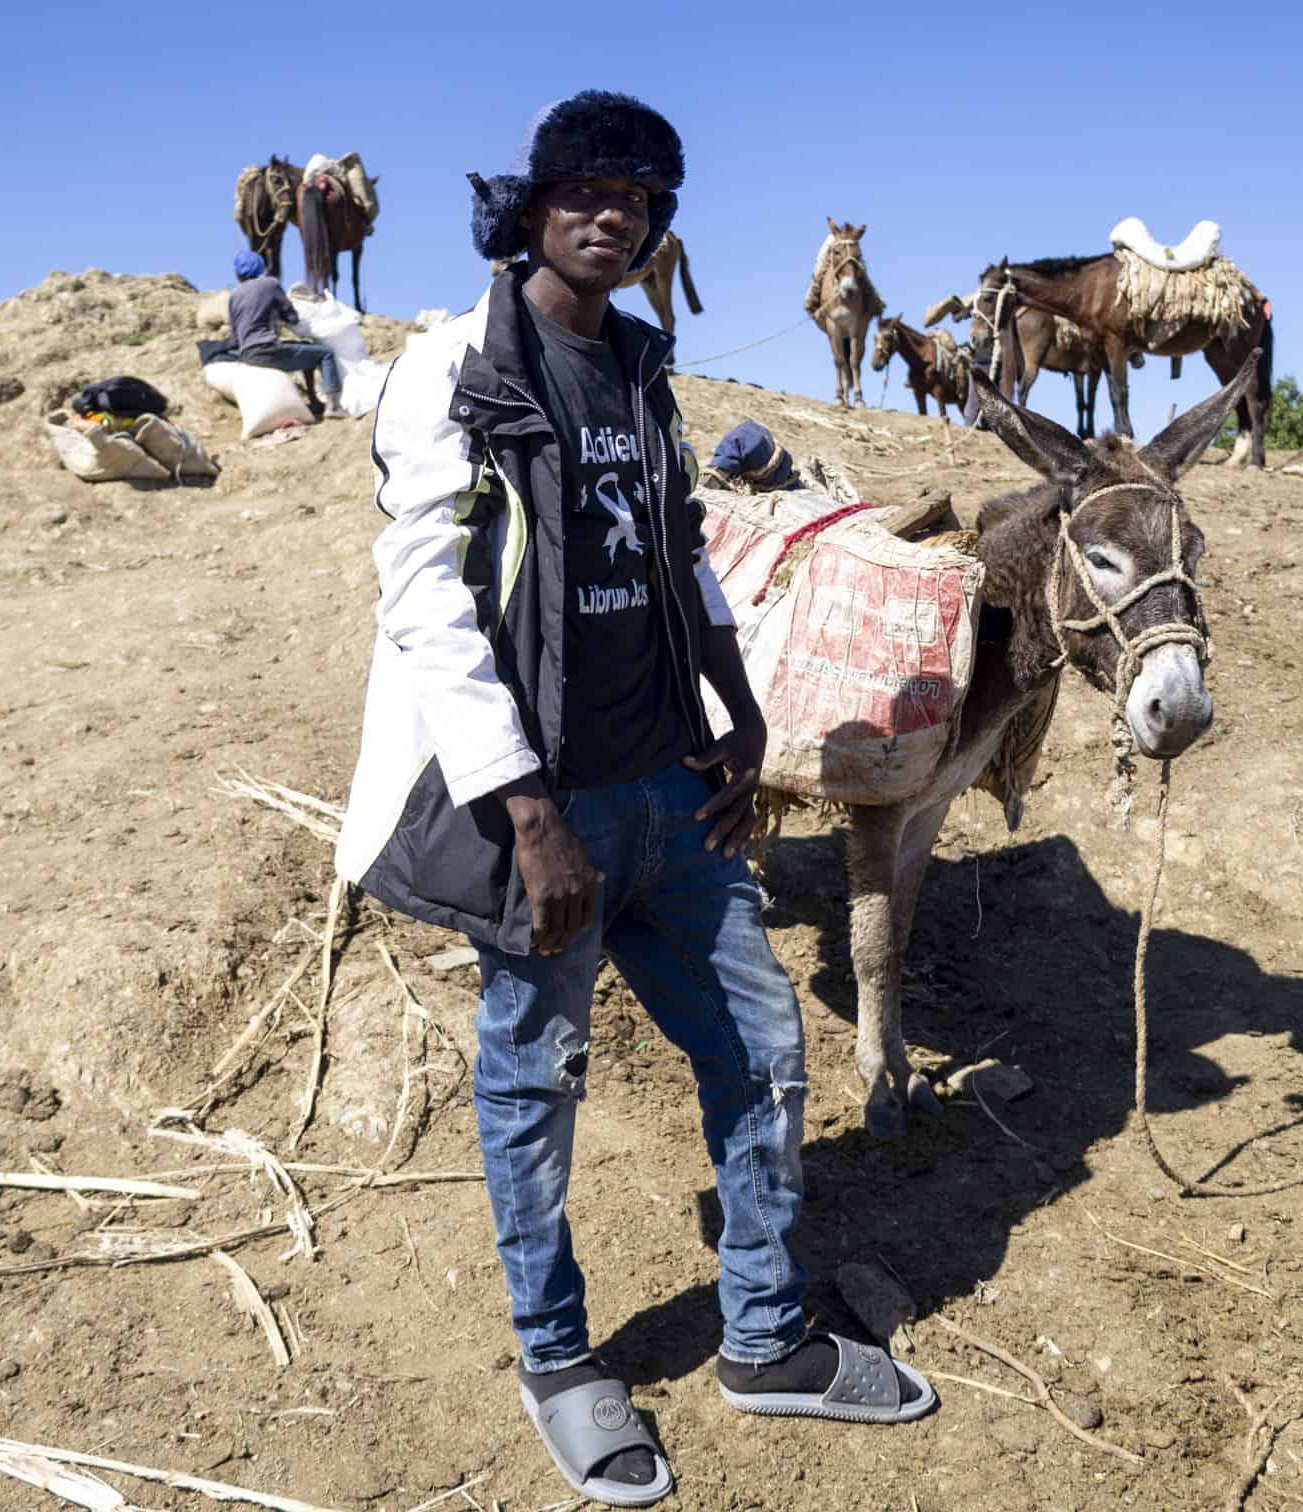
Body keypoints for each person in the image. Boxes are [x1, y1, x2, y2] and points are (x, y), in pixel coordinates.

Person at [334, 91, 933, 1509]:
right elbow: (424, 597)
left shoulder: (646, 372)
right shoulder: (457, 369)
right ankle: (557, 1360)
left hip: (675, 785)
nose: (614, 213)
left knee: (769, 1053)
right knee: (536, 1079)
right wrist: (527, 813)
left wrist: (738, 714)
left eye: (643, 197)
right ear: (533, 206)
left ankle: (767, 1340)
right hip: (545, 801)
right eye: (587, 189)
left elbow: (681, 551)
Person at [225, 249, 345, 419]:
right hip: (269, 351)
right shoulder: (270, 284)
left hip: (247, 355)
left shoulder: (234, 295)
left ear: (238, 274)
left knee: (306, 349)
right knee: (325, 353)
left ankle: (314, 402)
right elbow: (292, 317)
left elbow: (235, 337)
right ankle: (334, 406)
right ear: (260, 267)